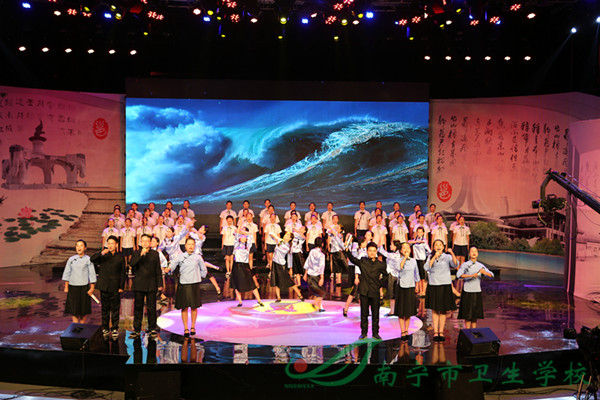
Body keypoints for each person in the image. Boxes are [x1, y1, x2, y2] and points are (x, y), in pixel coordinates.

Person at [346, 242, 387, 340]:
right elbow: (353, 260)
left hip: (375, 291)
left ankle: (375, 333)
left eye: (374, 251)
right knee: (364, 314)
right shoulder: (363, 261)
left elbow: (386, 276)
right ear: (367, 251)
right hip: (364, 291)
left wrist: (379, 284)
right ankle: (363, 333)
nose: (372, 253)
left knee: (375, 314)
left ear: (376, 252)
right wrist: (347, 251)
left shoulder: (380, 265)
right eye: (370, 251)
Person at [169, 237, 208, 338]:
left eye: (192, 244)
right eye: (189, 244)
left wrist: (198, 276)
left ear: (194, 246)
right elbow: (172, 266)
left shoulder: (198, 257)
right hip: (184, 284)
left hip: (194, 284)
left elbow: (204, 270)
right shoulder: (180, 256)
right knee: (184, 307)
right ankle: (186, 328)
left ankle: (193, 327)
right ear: (185, 246)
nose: (191, 246)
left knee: (194, 306)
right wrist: (167, 269)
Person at [90, 236, 126, 339]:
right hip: (104, 286)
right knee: (105, 309)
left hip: (115, 286)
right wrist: (101, 253)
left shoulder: (120, 257)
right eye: (108, 243)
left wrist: (121, 286)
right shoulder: (103, 255)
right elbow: (92, 259)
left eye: (112, 243)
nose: (110, 245)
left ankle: (114, 329)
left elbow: (123, 273)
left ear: (116, 245)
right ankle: (105, 328)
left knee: (115, 309)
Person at [129, 234, 163, 338]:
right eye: (143, 241)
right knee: (138, 307)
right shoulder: (136, 253)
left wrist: (160, 284)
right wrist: (140, 255)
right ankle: (137, 329)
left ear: (150, 243)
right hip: (139, 284)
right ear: (140, 242)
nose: (144, 243)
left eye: (147, 241)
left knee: (151, 307)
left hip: (151, 284)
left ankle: (152, 328)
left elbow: (158, 269)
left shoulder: (155, 254)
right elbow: (132, 264)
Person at [425, 239, 458, 342]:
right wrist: (434, 257)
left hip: (445, 285)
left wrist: (452, 253)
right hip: (434, 284)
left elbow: (455, 264)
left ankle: (441, 331)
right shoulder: (430, 256)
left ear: (443, 247)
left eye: (440, 245)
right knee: (435, 309)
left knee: (443, 310)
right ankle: (435, 332)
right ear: (433, 247)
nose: (438, 246)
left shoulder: (447, 257)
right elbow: (426, 267)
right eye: (436, 245)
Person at [456, 247, 494, 329]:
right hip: (467, 292)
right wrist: (471, 276)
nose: (474, 252)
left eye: (475, 251)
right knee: (467, 315)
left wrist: (484, 272)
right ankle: (467, 332)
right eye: (472, 251)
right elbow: (458, 275)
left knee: (475, 316)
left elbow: (491, 275)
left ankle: (474, 332)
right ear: (469, 254)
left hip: (476, 292)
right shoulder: (465, 265)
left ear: (477, 254)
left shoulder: (480, 266)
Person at [62, 239, 96, 324]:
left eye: (81, 245)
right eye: (77, 245)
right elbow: (67, 272)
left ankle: (82, 326)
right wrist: (66, 287)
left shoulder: (88, 259)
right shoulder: (71, 259)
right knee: (74, 310)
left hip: (84, 287)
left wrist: (92, 288)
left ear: (85, 248)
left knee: (83, 310)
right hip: (73, 287)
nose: (79, 247)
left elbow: (92, 274)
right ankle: (75, 326)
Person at [393, 242, 420, 341]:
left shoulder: (413, 261)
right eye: (404, 248)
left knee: (408, 311)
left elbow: (416, 273)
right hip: (401, 287)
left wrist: (417, 285)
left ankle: (406, 330)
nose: (406, 249)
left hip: (410, 286)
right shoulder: (398, 260)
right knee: (401, 311)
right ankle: (402, 330)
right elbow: (399, 268)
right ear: (401, 250)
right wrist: (404, 258)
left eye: (408, 248)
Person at [231, 233, 264, 307]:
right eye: (241, 237)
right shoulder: (236, 245)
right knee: (237, 284)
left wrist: (243, 232)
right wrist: (240, 229)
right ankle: (240, 301)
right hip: (237, 266)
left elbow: (251, 235)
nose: (243, 238)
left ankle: (259, 300)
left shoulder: (248, 246)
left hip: (245, 266)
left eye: (244, 237)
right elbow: (237, 235)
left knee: (251, 283)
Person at [269, 232, 304, 302]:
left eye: (288, 235)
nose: (285, 235)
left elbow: (289, 258)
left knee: (289, 281)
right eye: (286, 234)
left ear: (290, 238)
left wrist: (290, 268)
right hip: (275, 263)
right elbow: (270, 234)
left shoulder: (287, 247)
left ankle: (299, 295)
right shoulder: (280, 241)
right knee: (276, 280)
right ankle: (278, 297)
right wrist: (276, 237)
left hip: (281, 265)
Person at [378, 240, 402, 317]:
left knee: (392, 294)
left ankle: (392, 311)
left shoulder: (394, 255)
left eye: (391, 244)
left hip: (393, 276)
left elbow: (382, 251)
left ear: (396, 246)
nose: (390, 246)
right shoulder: (397, 254)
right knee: (394, 294)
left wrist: (381, 242)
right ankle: (394, 310)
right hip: (396, 276)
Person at [303, 237, 326, 311]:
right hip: (316, 275)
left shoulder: (312, 251)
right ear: (322, 244)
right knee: (322, 293)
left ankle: (320, 307)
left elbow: (307, 262)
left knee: (317, 292)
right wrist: (322, 278)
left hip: (310, 274)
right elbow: (321, 267)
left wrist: (305, 273)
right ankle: (315, 303)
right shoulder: (321, 255)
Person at [410, 226, 431, 298]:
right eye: (418, 232)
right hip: (416, 260)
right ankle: (419, 290)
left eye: (420, 232)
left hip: (422, 260)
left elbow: (429, 251)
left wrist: (427, 257)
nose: (419, 233)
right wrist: (417, 241)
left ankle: (423, 291)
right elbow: (408, 242)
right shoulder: (414, 241)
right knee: (418, 276)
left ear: (423, 233)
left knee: (423, 276)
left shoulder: (424, 241)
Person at [452, 215, 471, 295]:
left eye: (463, 220)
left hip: (464, 244)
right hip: (457, 244)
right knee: (457, 260)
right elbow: (454, 237)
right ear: (458, 221)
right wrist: (453, 245)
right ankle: (458, 273)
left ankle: (461, 272)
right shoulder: (456, 228)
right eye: (461, 220)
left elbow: (468, 237)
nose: (462, 221)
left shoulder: (467, 228)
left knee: (462, 260)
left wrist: (468, 246)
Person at [327, 221, 347, 287]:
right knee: (336, 266)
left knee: (339, 266)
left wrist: (332, 230)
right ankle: (338, 281)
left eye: (338, 228)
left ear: (341, 230)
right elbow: (329, 232)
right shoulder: (333, 234)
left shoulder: (339, 235)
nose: (336, 228)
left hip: (338, 251)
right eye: (336, 227)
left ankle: (339, 281)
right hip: (333, 251)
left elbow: (337, 237)